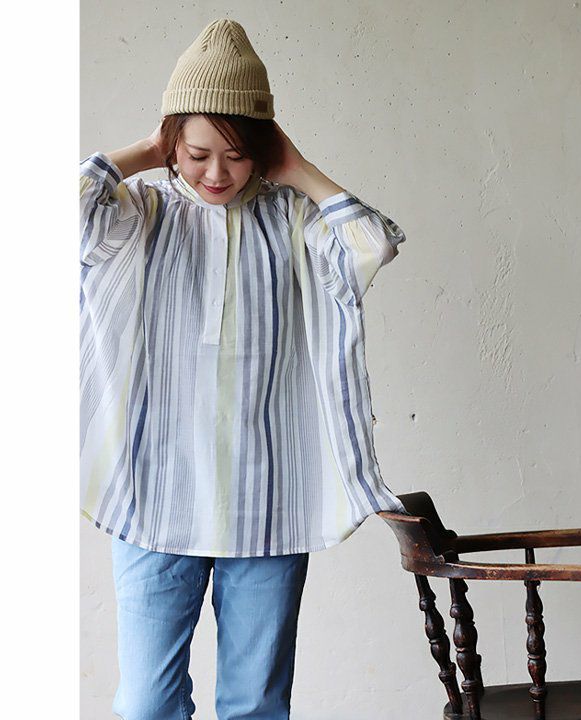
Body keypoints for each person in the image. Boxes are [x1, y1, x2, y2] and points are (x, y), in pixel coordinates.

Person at [80, 18, 408, 720]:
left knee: (255, 705)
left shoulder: (292, 218)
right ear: (172, 143)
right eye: (197, 153)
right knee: (144, 706)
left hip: (269, 501)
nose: (216, 174)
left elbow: (372, 245)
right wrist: (148, 151)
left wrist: (298, 169)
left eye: (236, 155)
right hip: (156, 497)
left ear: (263, 150)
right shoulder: (143, 212)